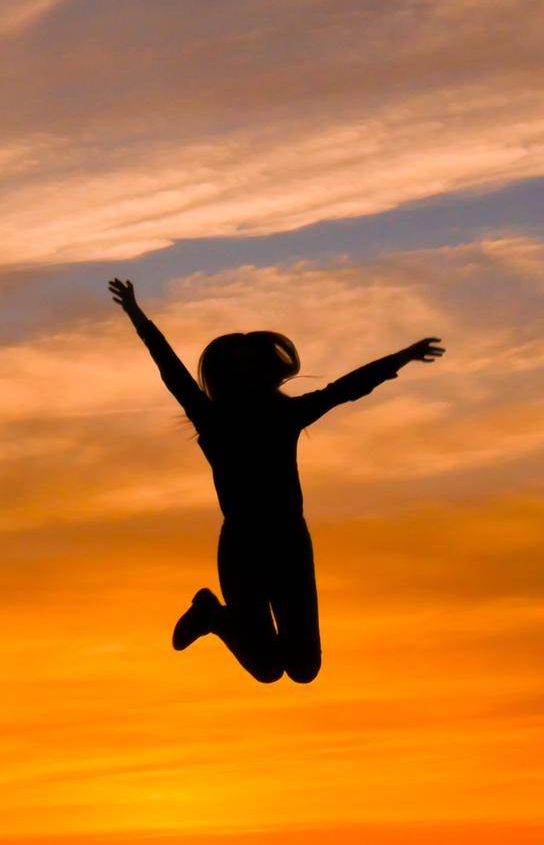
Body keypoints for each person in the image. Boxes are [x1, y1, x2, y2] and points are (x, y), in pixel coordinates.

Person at [108, 278, 444, 684]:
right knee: (268, 669)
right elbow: (172, 371)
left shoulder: (284, 416)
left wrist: (402, 357)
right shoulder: (214, 419)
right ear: (231, 377)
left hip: (289, 545)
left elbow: (346, 389)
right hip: (242, 547)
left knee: (303, 668)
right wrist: (136, 315)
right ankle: (212, 614)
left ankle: (220, 617)